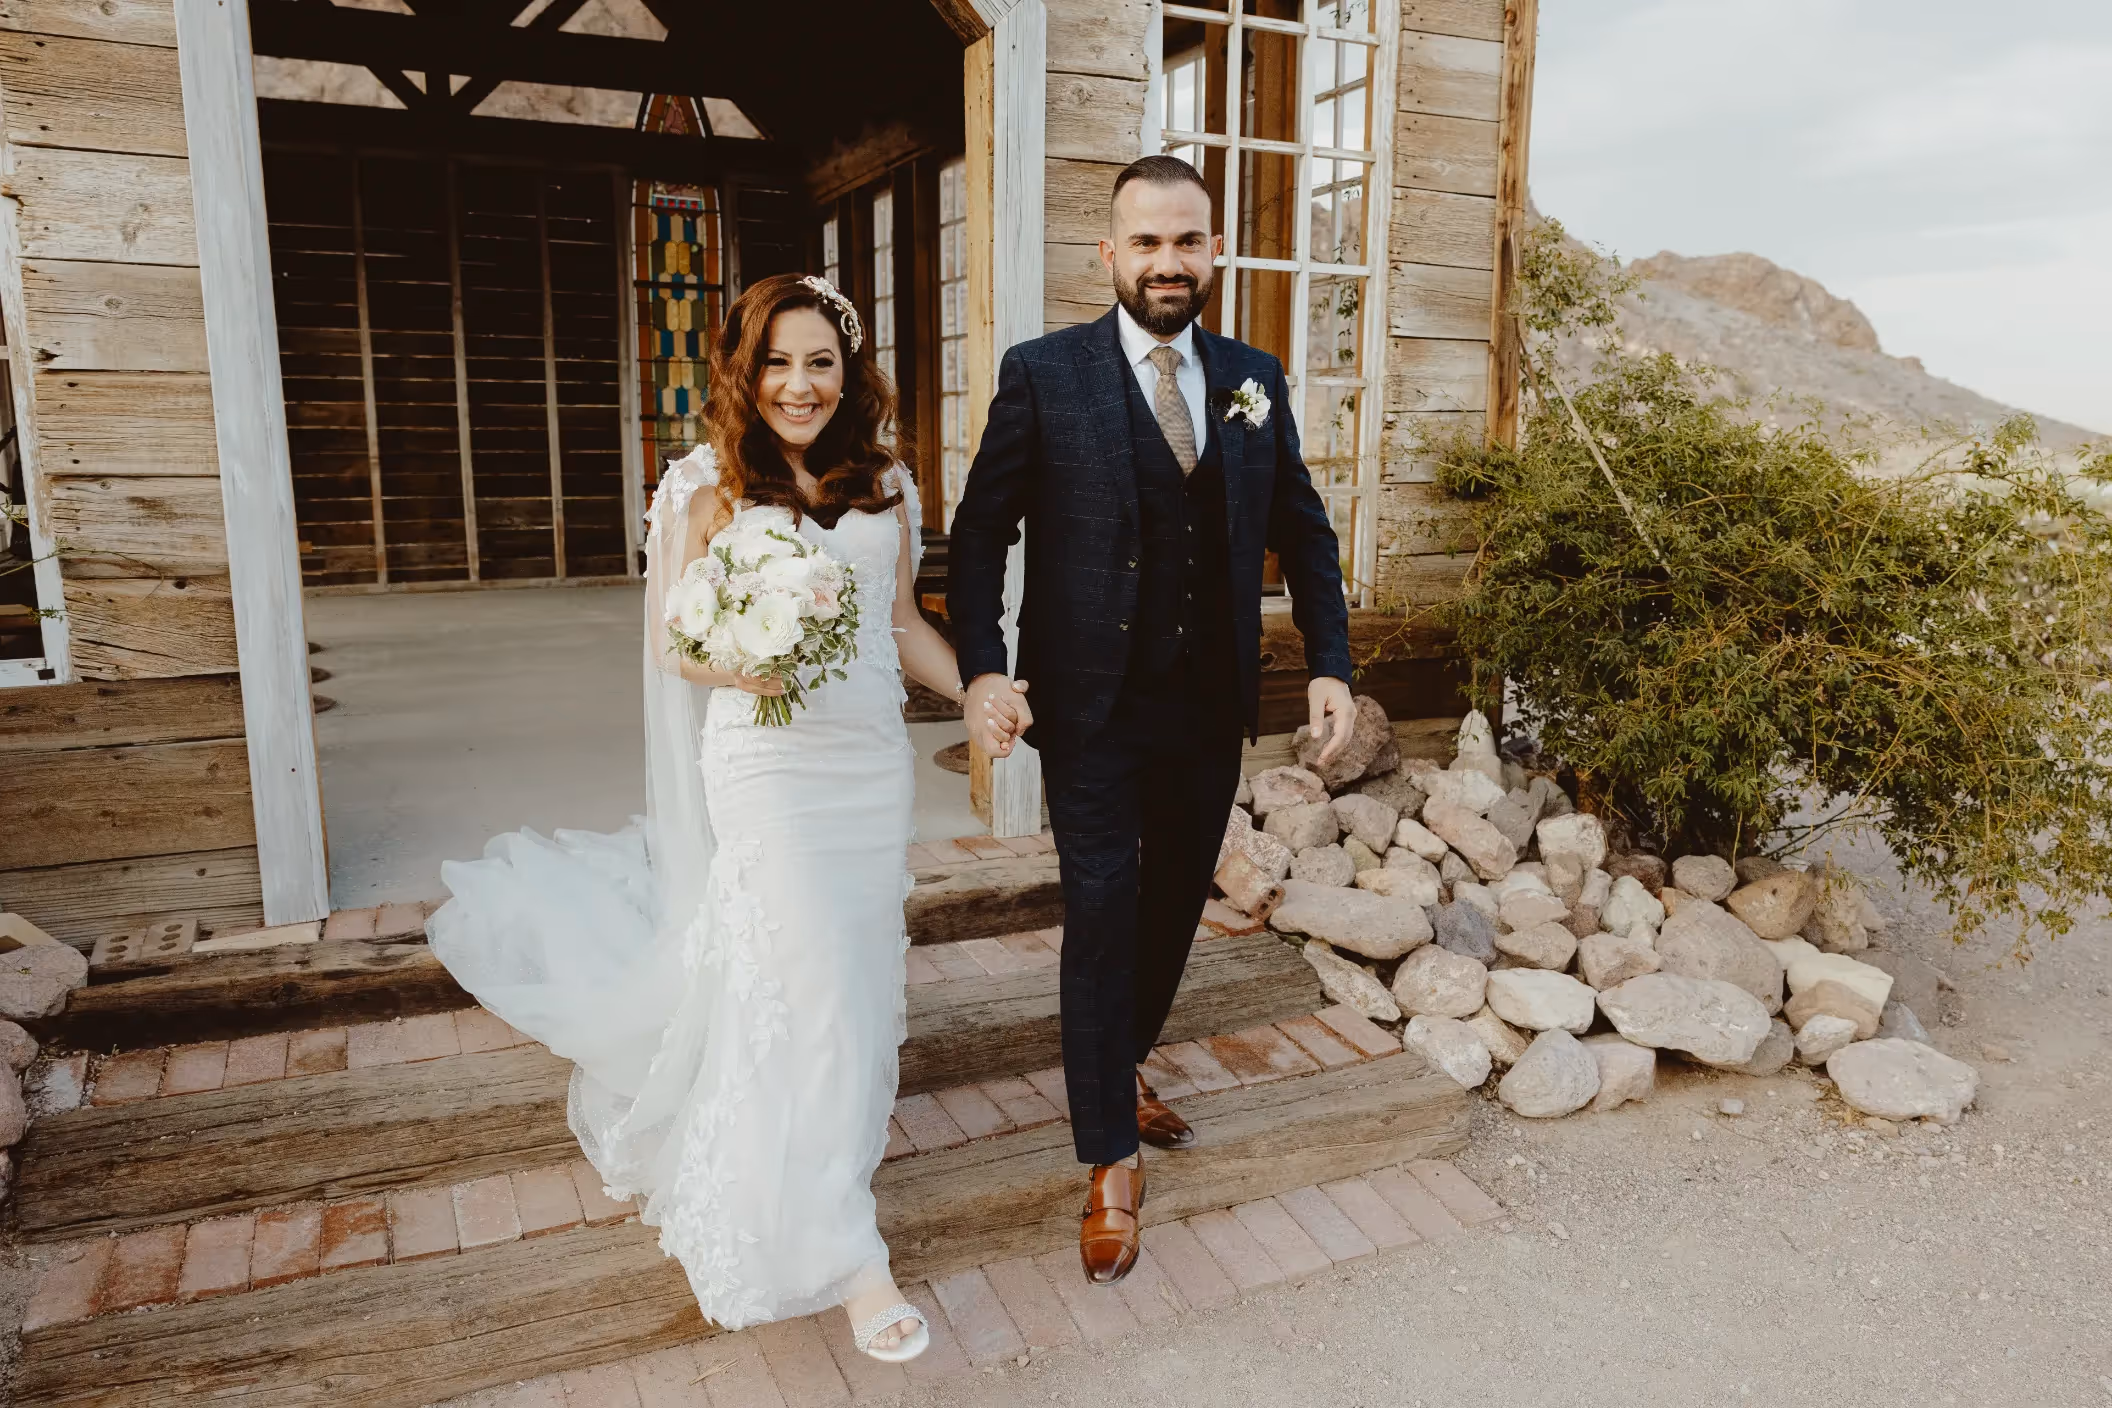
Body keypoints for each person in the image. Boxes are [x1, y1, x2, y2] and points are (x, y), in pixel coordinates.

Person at [427, 273, 965, 1361]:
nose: (800, 385)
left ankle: (818, 1163)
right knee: (810, 979)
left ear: (851, 373)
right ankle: (848, 1253)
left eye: (821, 362)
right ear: (743, 371)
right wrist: (748, 661)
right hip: (767, 764)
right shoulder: (704, 485)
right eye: (777, 362)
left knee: (851, 979)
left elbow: (902, 621)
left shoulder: (888, 483)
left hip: (869, 767)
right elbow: (677, 644)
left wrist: (981, 691)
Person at [947, 154, 1356, 1285]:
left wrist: (1331, 663)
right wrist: (983, 670)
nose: (1167, 262)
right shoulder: (1044, 375)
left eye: (1186, 241)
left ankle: (1115, 1065)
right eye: (1146, 242)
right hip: (1089, 704)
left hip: (1207, 703)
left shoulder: (1252, 378)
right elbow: (979, 535)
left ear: (1214, 250)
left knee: (1175, 900)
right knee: (1103, 906)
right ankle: (1109, 1159)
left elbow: (1304, 529)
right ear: (1110, 254)